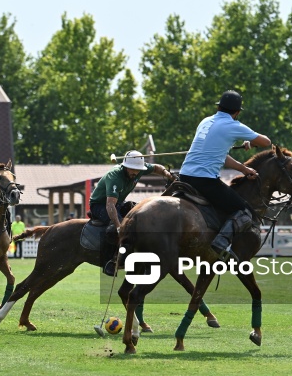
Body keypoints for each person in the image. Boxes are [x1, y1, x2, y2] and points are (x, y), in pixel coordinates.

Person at [178, 90, 271, 262]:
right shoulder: (233, 126)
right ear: (237, 112)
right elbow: (266, 142)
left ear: (219, 107)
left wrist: (244, 169)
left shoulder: (205, 121)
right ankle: (221, 242)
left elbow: (220, 156)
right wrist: (248, 138)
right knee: (244, 210)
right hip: (204, 180)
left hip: (183, 176)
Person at [89, 150, 175, 275]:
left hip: (118, 203)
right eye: (132, 169)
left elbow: (157, 168)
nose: (135, 172)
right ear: (125, 166)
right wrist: (119, 226)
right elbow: (110, 205)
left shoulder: (140, 170)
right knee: (115, 228)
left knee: (140, 214)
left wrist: (167, 174)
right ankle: (110, 262)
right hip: (100, 205)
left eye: (137, 170)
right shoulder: (115, 177)